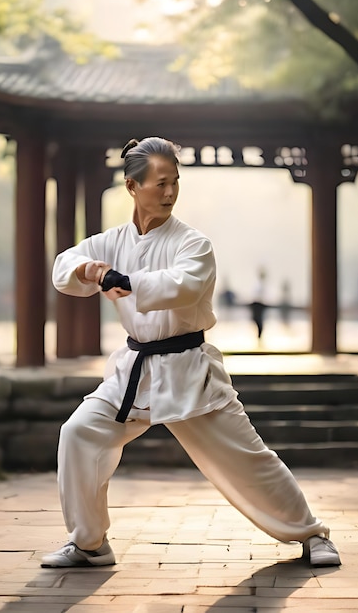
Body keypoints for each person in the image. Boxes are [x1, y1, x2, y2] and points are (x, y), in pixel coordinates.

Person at [42, 136, 341, 569]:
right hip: (133, 372)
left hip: (188, 373)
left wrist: (121, 279)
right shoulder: (112, 240)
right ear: (132, 187)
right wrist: (88, 268)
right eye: (159, 184)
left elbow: (183, 285)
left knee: (247, 458)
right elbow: (63, 267)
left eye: (174, 183)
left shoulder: (192, 243)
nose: (168, 193)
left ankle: (312, 533)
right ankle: (89, 543)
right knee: (79, 433)